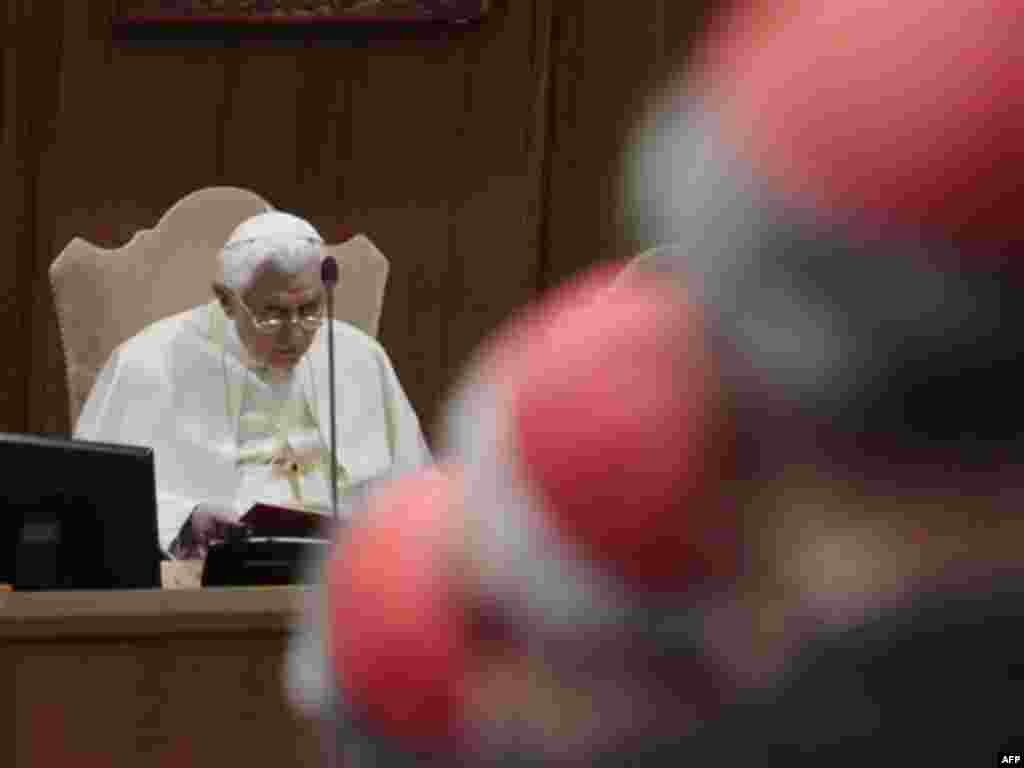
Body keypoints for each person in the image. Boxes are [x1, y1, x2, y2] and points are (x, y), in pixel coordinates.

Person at [75, 210, 432, 558]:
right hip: (216, 575)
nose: (295, 333)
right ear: (227, 300)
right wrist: (186, 521)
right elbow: (97, 499)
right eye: (273, 314)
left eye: (310, 309)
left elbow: (421, 497)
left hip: (345, 571)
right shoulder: (148, 361)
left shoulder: (360, 356)